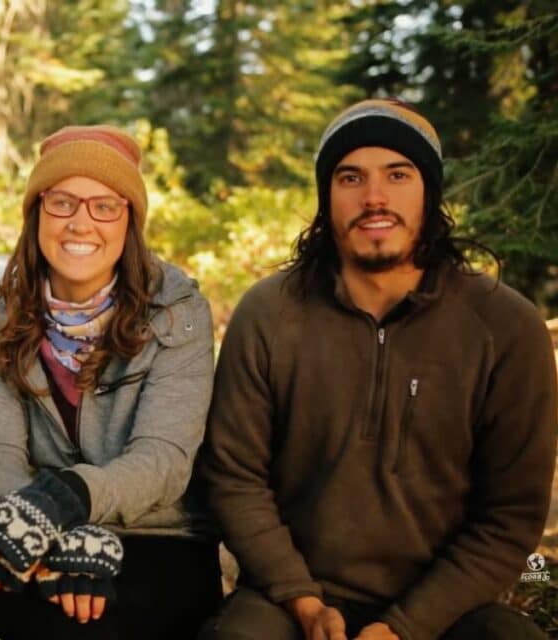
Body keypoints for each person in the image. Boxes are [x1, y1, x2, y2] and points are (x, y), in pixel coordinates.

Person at [196, 98, 557, 640]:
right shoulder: (270, 314)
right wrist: (302, 599)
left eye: (397, 174)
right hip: (289, 599)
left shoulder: (504, 327)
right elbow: (234, 477)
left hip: (445, 611)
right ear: (327, 196)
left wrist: (403, 627)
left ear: (429, 191)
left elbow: (508, 518)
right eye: (350, 177)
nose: (374, 197)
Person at [0, 125, 221, 639]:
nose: (80, 223)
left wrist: (70, 497)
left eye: (104, 206)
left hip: (159, 537)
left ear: (129, 221)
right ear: (36, 213)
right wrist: (46, 526)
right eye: (62, 203)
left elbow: (163, 461)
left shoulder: (178, 312)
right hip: (44, 526)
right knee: (19, 601)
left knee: (98, 621)